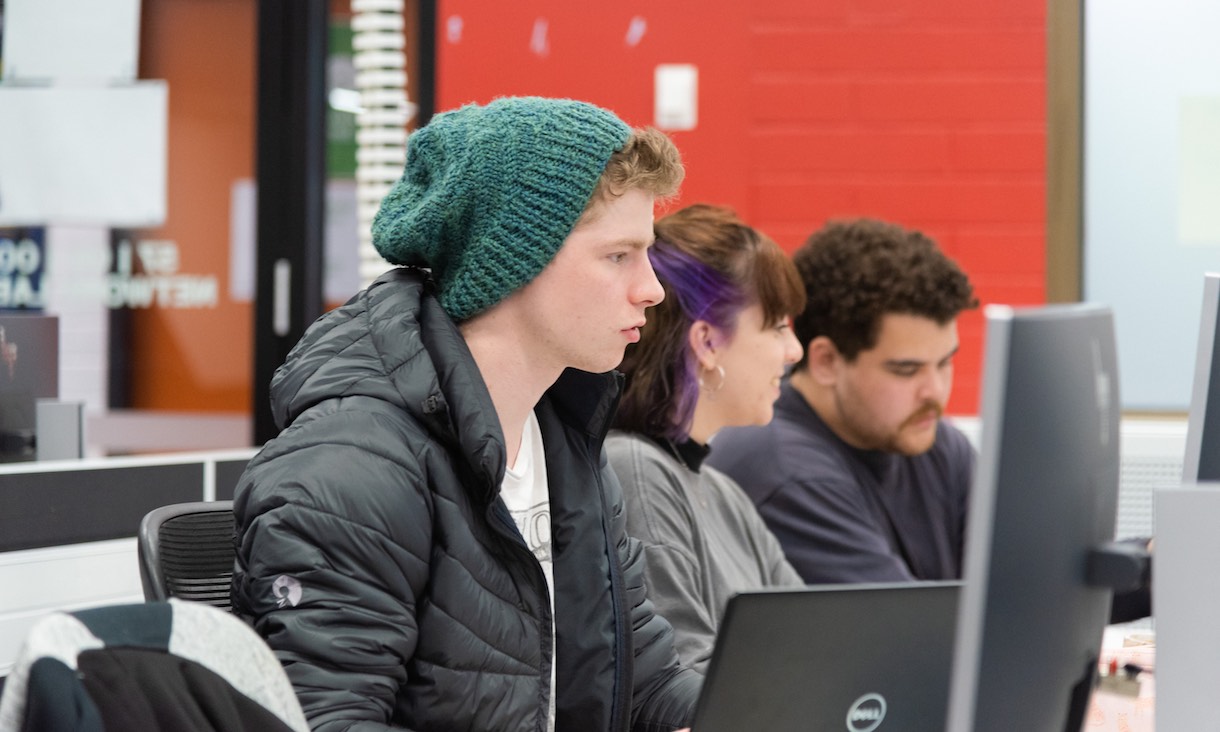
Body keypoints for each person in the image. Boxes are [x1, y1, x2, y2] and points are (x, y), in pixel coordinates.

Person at [230, 97, 701, 732]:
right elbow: (326, 720)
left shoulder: (564, 443)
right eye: (619, 256)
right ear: (514, 264)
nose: (653, 288)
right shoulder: (349, 469)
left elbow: (646, 686)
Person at [706, 218, 978, 584]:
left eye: (945, 363)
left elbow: (1014, 595)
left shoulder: (941, 447)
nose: (934, 392)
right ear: (826, 362)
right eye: (906, 370)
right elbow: (912, 633)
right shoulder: (786, 472)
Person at [606, 204, 807, 673]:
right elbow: (686, 676)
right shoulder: (636, 469)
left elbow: (815, 641)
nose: (793, 351)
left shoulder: (724, 494)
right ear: (708, 342)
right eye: (777, 327)